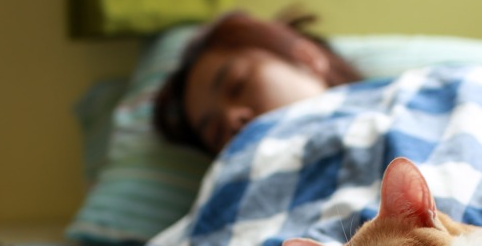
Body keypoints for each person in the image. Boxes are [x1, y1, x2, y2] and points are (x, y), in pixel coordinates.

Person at [153, 9, 363, 156]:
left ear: (307, 57)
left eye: (238, 86)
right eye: (216, 133)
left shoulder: (392, 106)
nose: (232, 118)